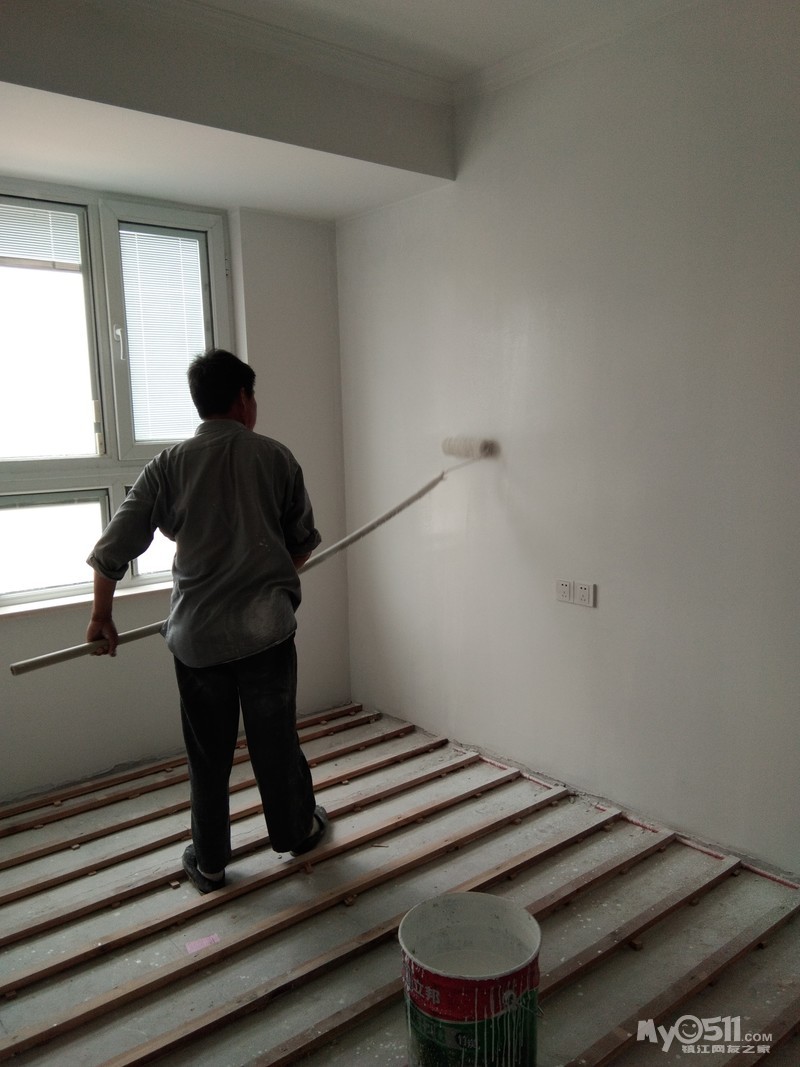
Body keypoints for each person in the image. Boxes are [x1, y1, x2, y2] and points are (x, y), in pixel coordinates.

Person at [86, 348, 327, 894]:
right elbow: (302, 542)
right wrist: (268, 576)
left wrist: (101, 616)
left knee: (208, 754)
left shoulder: (167, 466)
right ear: (243, 399)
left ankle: (212, 862)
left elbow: (111, 551)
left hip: (197, 642)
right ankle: (294, 832)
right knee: (275, 743)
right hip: (267, 635)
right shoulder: (275, 457)